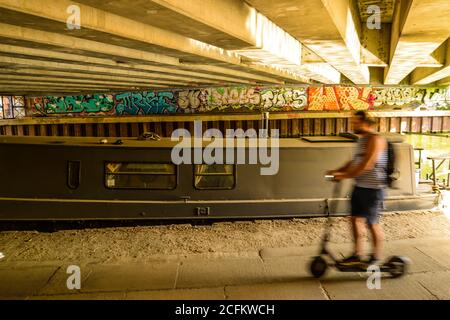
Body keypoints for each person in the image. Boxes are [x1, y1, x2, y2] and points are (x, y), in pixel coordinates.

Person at [328, 110, 388, 266]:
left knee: (372, 222)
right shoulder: (361, 140)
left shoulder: (376, 140)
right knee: (355, 220)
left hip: (374, 189)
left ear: (366, 123)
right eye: (352, 122)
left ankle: (375, 257)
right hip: (360, 186)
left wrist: (344, 176)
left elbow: (366, 165)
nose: (352, 125)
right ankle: (357, 255)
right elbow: (354, 162)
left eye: (356, 122)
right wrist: (338, 171)